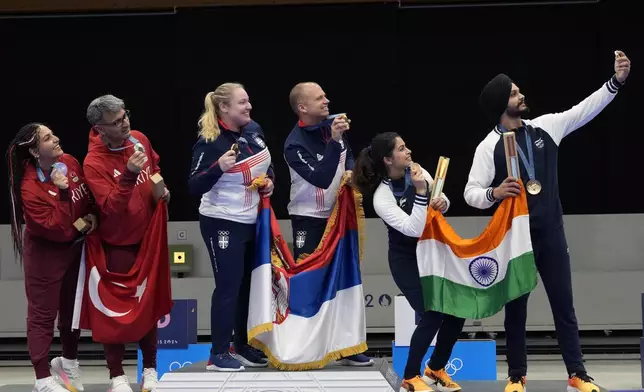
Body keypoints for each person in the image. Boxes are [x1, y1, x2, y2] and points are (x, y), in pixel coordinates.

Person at [464, 51, 631, 392]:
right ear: (501, 103)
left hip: (551, 232)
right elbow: (470, 193)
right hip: (517, 240)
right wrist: (494, 194)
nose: (520, 95)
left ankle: (578, 373)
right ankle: (516, 376)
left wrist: (616, 82)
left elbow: (584, 110)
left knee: (563, 305)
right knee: (516, 312)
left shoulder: (546, 127)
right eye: (513, 93)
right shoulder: (488, 147)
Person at [354, 132, 463, 392]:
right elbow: (413, 229)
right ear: (388, 159)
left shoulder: (418, 171)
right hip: (406, 260)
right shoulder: (382, 197)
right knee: (432, 313)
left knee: (457, 311)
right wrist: (423, 192)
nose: (408, 151)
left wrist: (440, 200)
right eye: (402, 149)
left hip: (432, 253)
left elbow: (444, 201)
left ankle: (435, 368)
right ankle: (410, 376)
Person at [84, 94, 170, 392]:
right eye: (116, 122)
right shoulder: (94, 163)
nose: (125, 124)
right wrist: (130, 175)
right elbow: (110, 208)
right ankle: (116, 375)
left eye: (125, 116)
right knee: (115, 312)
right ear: (100, 129)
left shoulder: (139, 139)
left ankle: (150, 370)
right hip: (117, 245)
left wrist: (161, 186)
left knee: (149, 307)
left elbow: (155, 165)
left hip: (149, 241)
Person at [284, 82, 372, 367]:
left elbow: (347, 164)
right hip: (308, 219)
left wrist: (351, 174)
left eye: (325, 95)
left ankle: (347, 346)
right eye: (319, 97)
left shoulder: (333, 127)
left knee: (345, 281)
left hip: (340, 217)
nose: (327, 100)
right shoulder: (293, 143)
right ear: (303, 107)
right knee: (309, 282)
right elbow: (321, 178)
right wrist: (334, 142)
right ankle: (303, 346)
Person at [188, 83, 274, 372]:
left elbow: (266, 164)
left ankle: (242, 344)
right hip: (221, 221)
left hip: (252, 220)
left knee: (247, 286)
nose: (248, 107)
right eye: (242, 103)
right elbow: (194, 184)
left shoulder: (253, 130)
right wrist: (219, 168)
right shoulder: (210, 142)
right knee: (228, 286)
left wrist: (269, 180)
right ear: (224, 108)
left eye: (248, 101)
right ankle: (218, 353)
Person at [6, 123, 98, 392]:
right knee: (42, 316)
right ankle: (43, 379)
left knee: (73, 311)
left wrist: (91, 214)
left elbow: (86, 199)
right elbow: (58, 229)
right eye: (48, 138)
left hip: (75, 249)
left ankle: (68, 364)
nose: (57, 139)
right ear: (35, 151)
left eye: (53, 133)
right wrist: (63, 191)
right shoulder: (29, 188)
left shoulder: (69, 161)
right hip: (46, 256)